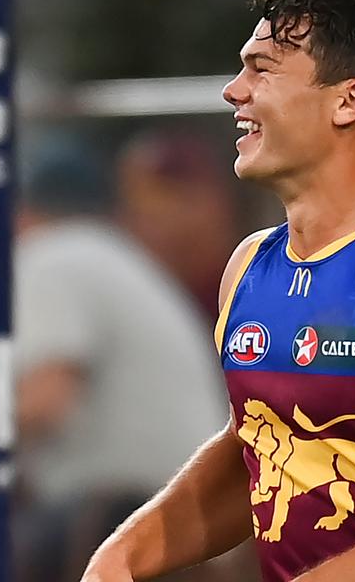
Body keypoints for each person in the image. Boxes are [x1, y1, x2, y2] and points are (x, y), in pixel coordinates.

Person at [82, 0, 355, 582]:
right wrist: (122, 558)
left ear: (349, 102)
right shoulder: (250, 264)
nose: (234, 90)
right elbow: (258, 450)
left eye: (262, 68)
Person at [12, 138, 227, 581]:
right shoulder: (115, 256)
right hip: (203, 518)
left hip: (137, 514)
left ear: (25, 210)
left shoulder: (53, 257)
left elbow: (44, 401)